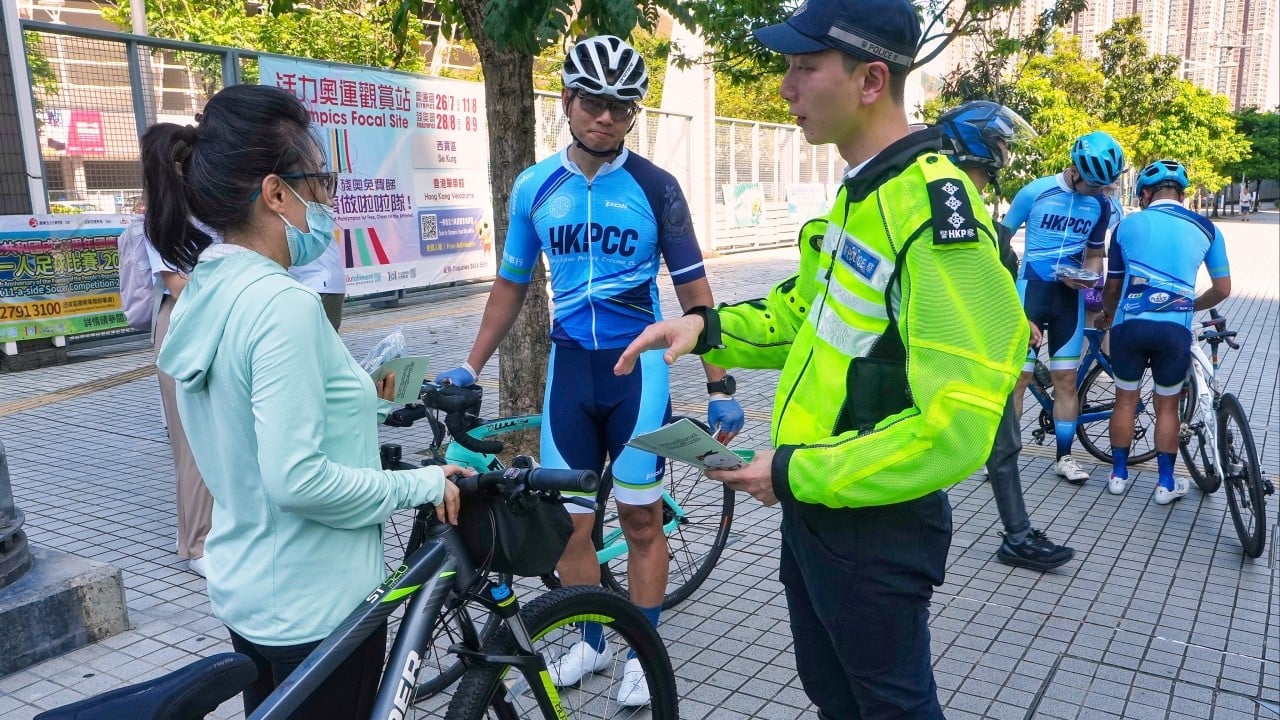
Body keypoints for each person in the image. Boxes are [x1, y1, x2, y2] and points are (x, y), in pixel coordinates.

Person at [616, 2, 1029, 714]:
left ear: (871, 80)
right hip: (816, 509)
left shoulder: (934, 212)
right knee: (834, 696)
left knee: (891, 706)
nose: (784, 87)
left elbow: (958, 425)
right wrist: (704, 329)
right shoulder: (860, 195)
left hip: (874, 524)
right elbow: (806, 319)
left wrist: (792, 470)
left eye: (804, 68)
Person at [434, 35, 744, 707]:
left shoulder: (657, 189)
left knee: (639, 522)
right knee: (571, 528)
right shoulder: (534, 187)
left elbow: (697, 298)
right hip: (570, 373)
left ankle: (644, 647)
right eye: (595, 103)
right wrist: (469, 363)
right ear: (568, 101)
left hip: (640, 375)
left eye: (623, 107)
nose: (607, 117)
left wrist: (719, 383)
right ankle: (593, 641)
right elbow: (511, 285)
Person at [143, 84, 470, 718]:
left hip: (252, 595)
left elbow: (249, 419)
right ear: (274, 193)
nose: (327, 202)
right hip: (319, 606)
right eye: (319, 184)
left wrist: (359, 401)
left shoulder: (208, 286)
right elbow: (297, 480)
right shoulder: (282, 305)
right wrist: (422, 484)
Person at [936, 101, 1075, 571]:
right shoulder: (950, 201)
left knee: (1003, 445)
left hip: (979, 351)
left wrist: (1019, 322)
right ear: (976, 144)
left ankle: (1016, 535)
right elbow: (963, 285)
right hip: (951, 353)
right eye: (998, 141)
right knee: (956, 445)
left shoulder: (966, 201)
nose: (1004, 151)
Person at [1096, 159, 1231, 504]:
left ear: (1144, 193)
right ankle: (1166, 483)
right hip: (1175, 328)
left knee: (1125, 399)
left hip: (1130, 326)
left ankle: (1118, 475)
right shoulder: (1207, 228)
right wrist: (1189, 305)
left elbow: (1112, 288)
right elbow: (1223, 288)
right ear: (1182, 195)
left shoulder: (1127, 226)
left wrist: (1108, 316)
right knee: (1167, 406)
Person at [1002, 130, 1124, 485]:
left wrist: (1088, 279)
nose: (1098, 192)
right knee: (1018, 379)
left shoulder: (1099, 204)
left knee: (1065, 379)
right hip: (1029, 293)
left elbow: (1095, 254)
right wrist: (1008, 298)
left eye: (1104, 186)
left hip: (1068, 299)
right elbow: (1000, 244)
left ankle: (1065, 457)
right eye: (1092, 184)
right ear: (1074, 168)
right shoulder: (1035, 192)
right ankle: (1005, 456)